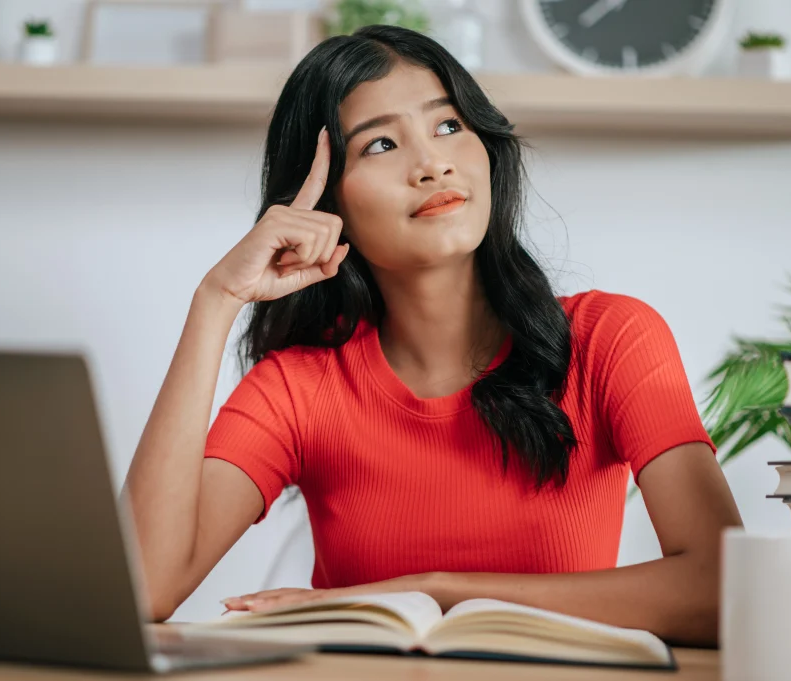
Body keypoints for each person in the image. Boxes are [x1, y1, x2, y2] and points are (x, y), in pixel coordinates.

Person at [123, 25, 743, 647]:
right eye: (381, 144)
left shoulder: (611, 339)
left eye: (449, 126)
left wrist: (438, 591)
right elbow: (144, 587)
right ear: (322, 203)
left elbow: (721, 590)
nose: (432, 163)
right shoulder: (298, 388)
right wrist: (216, 301)